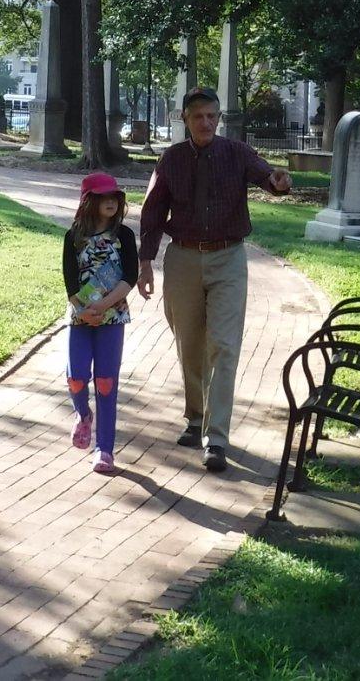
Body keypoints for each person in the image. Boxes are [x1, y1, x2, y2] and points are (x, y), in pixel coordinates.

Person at [137, 86, 293, 471]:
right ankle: (194, 417)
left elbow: (266, 177)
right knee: (189, 343)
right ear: (185, 120)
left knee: (223, 346)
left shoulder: (236, 153)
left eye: (212, 116)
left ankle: (217, 438)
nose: (206, 122)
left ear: (219, 119)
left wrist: (277, 181)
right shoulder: (171, 160)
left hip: (228, 258)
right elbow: (153, 212)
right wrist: (144, 263)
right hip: (183, 259)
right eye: (198, 117)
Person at [62, 171, 138, 475]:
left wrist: (103, 306)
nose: (111, 202)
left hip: (112, 317)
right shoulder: (74, 237)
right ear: (88, 201)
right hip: (80, 318)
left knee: (106, 382)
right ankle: (83, 414)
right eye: (103, 197)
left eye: (114, 197)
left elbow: (129, 277)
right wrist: (84, 310)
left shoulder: (125, 236)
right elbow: (69, 282)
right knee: (76, 378)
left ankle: (104, 449)